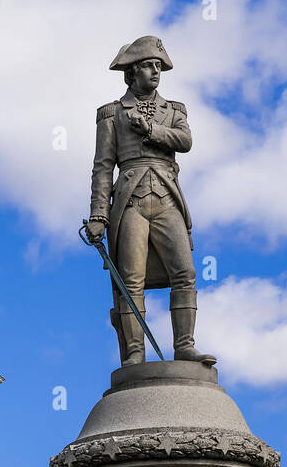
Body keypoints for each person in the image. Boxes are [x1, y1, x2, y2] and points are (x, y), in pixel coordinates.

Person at [86, 36, 215, 366]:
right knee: (131, 281)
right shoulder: (112, 115)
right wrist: (99, 214)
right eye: (147, 66)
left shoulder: (173, 111)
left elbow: (185, 141)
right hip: (130, 202)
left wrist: (152, 130)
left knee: (184, 273)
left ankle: (184, 345)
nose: (155, 72)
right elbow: (103, 167)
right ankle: (134, 354)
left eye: (158, 66)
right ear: (131, 73)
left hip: (167, 199)